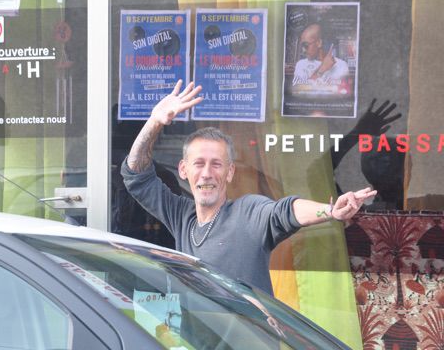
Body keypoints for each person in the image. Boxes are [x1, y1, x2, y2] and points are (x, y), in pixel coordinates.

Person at [121, 80, 376, 295]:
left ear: (230, 172)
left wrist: (330, 211)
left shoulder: (247, 212)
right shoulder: (181, 216)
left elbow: (285, 211)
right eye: (199, 163)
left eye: (216, 164)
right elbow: (136, 176)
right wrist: (154, 122)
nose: (207, 173)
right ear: (183, 170)